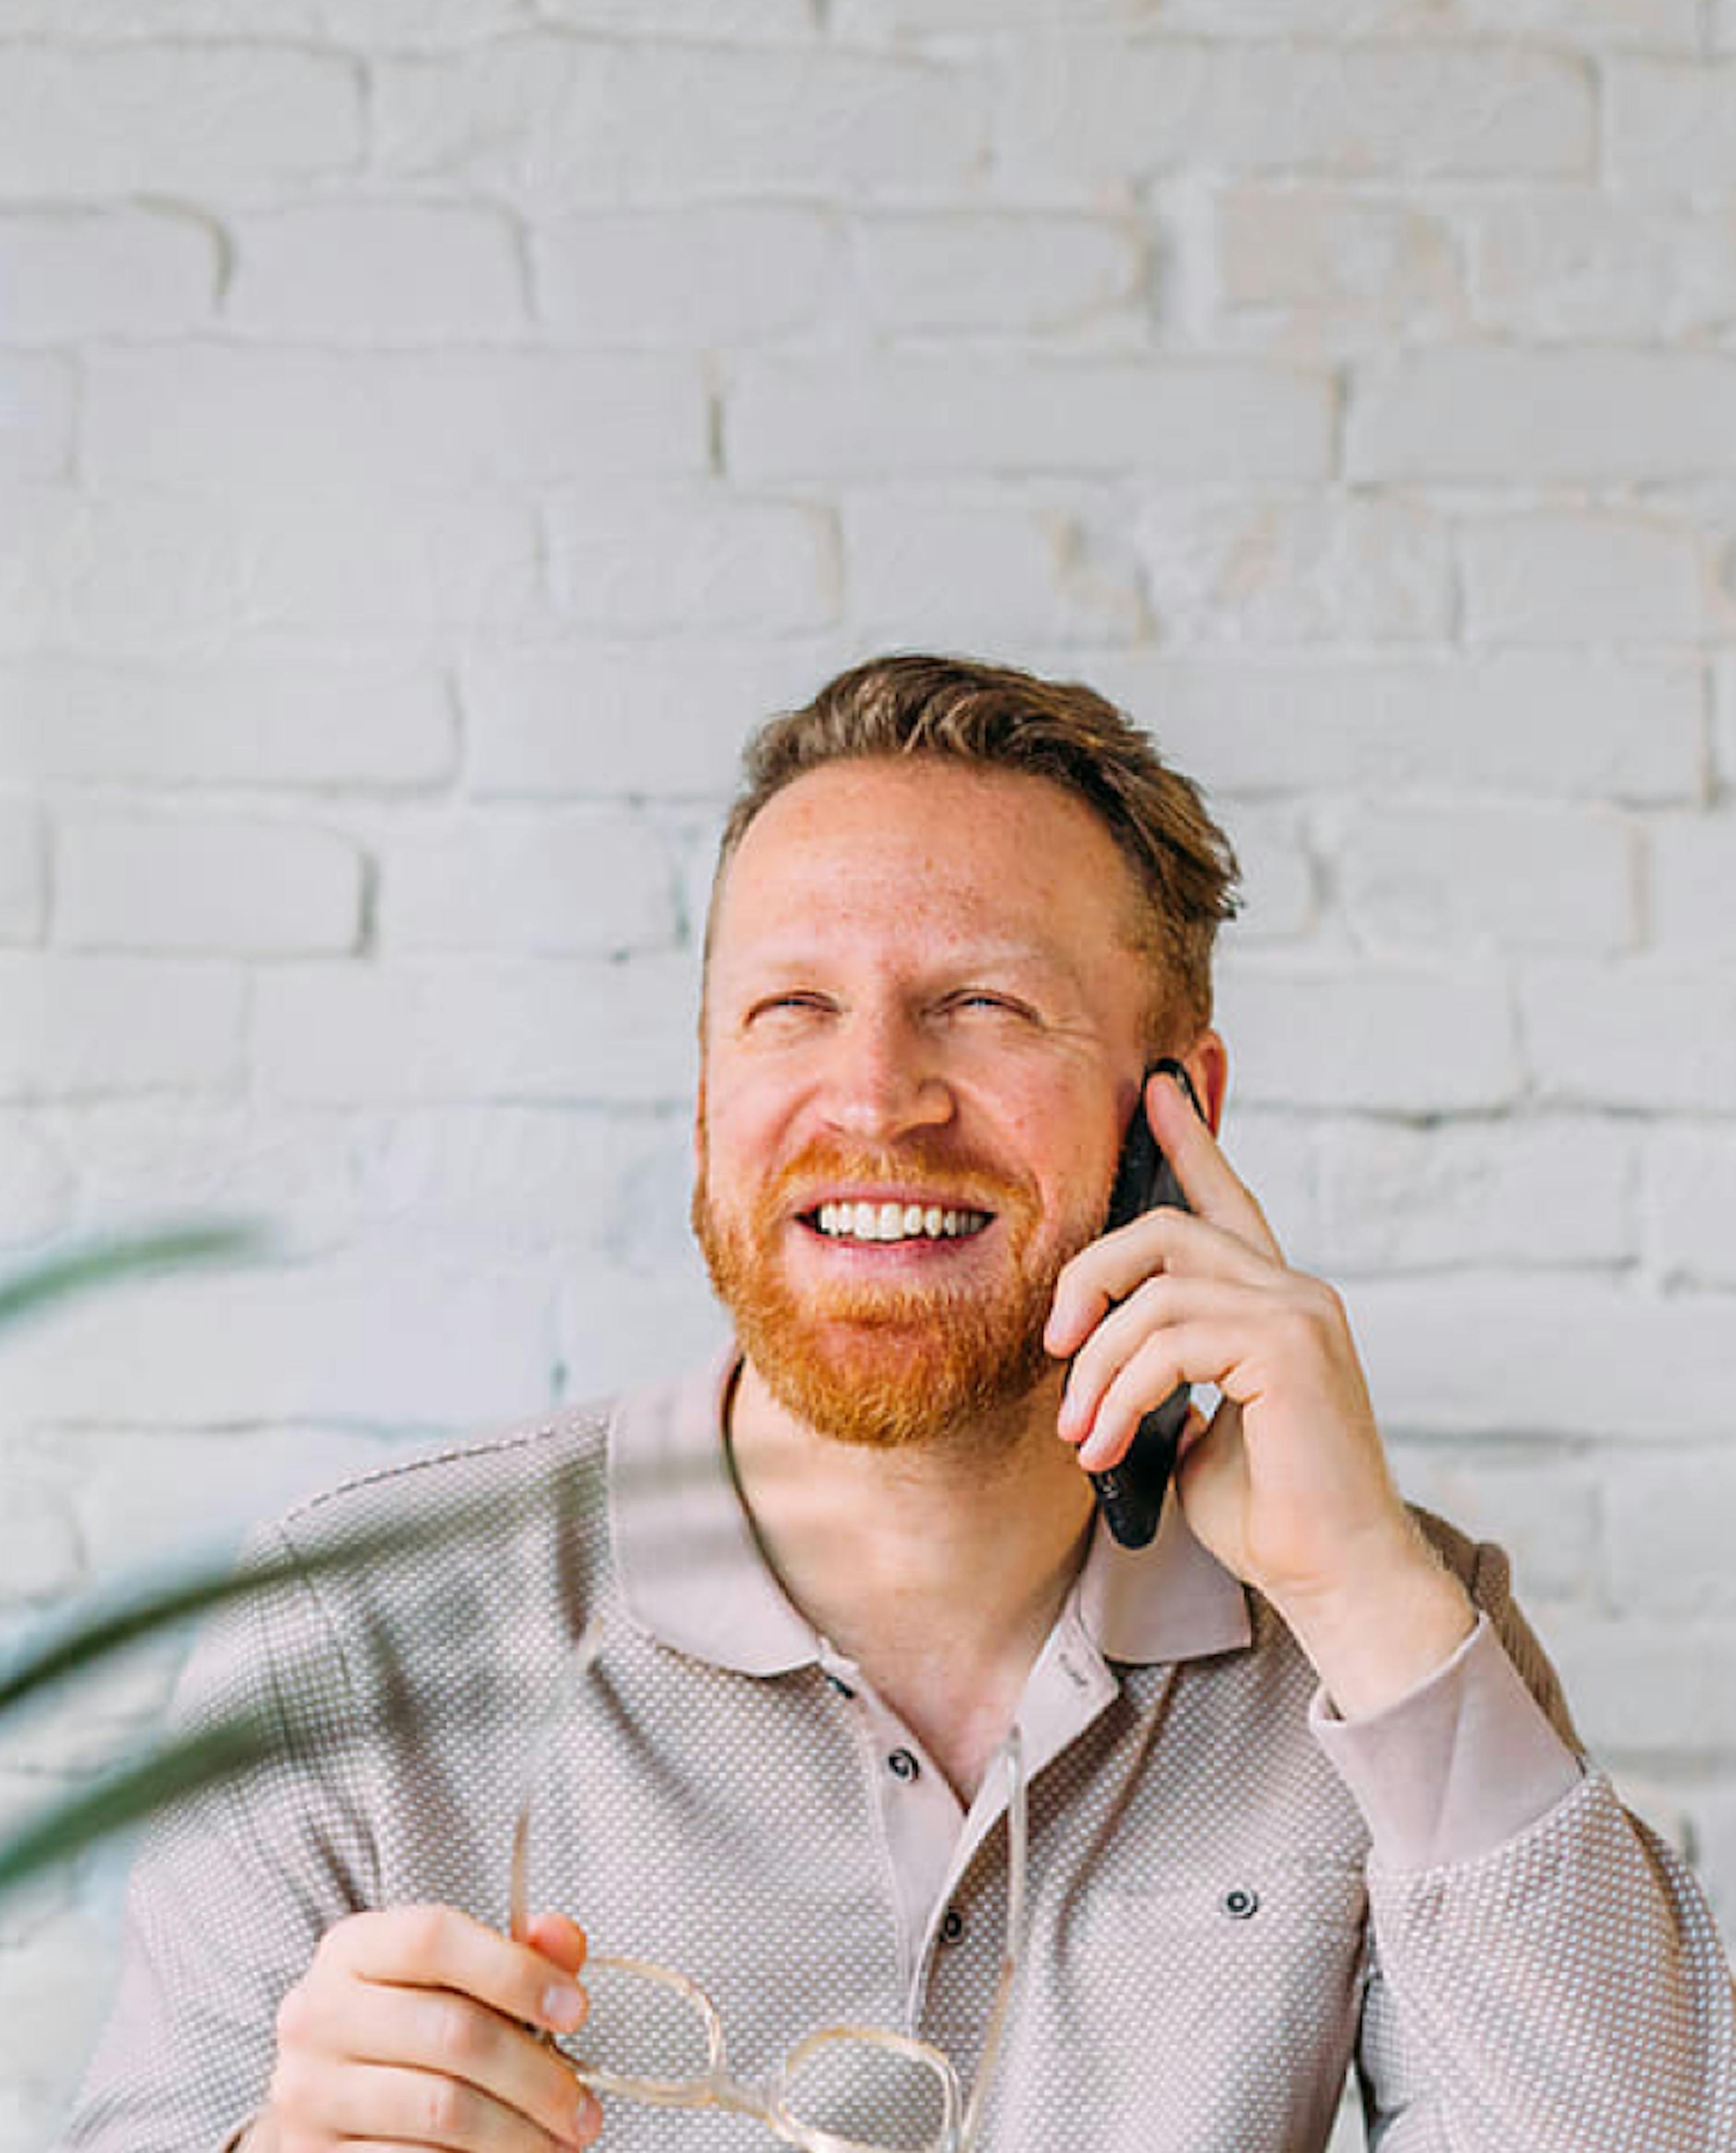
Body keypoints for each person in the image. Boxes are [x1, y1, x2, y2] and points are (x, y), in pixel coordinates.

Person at [65, 655, 1735, 2153]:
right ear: (710, 1094)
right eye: (791, 1009)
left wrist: (1367, 1597)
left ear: (1181, 1116)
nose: (873, 1099)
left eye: (985, 1007)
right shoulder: (342, 1633)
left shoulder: (1393, 1632)